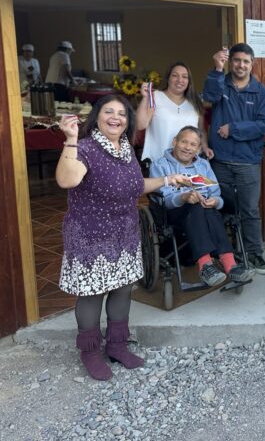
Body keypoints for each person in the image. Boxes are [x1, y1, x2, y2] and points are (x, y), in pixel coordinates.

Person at [55, 95, 190, 380]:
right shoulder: (85, 148)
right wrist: (70, 139)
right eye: (109, 111)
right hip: (91, 235)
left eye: (122, 113)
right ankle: (90, 352)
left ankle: (117, 345)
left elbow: (134, 185)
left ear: (128, 121)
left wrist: (168, 180)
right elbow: (67, 180)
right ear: (97, 117)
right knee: (92, 293)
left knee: (122, 289)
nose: (115, 117)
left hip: (125, 232)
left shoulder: (126, 148)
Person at [150, 126, 253, 287]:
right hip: (173, 213)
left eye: (193, 144)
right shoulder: (160, 165)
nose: (187, 147)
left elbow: (216, 193)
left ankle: (229, 265)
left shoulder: (203, 165)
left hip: (204, 212)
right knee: (197, 207)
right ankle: (208, 265)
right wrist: (184, 197)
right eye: (184, 142)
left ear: (198, 149)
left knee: (209, 210)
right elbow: (164, 198)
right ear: (175, 142)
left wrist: (215, 201)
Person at [203, 43, 265, 275]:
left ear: (252, 64)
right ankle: (225, 254)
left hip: (247, 162)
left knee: (250, 210)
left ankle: (254, 253)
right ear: (230, 62)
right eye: (236, 60)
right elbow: (209, 96)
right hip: (220, 160)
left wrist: (233, 129)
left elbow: (262, 126)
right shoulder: (220, 83)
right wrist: (217, 69)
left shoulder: (261, 93)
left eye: (245, 61)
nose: (241, 65)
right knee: (220, 208)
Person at [137, 62, 208, 163]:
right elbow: (140, 125)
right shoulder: (155, 97)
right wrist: (145, 98)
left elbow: (201, 130)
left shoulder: (195, 101)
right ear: (168, 78)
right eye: (175, 75)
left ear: (189, 81)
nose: (180, 80)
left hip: (189, 164)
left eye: (184, 77)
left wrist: (205, 147)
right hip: (160, 163)